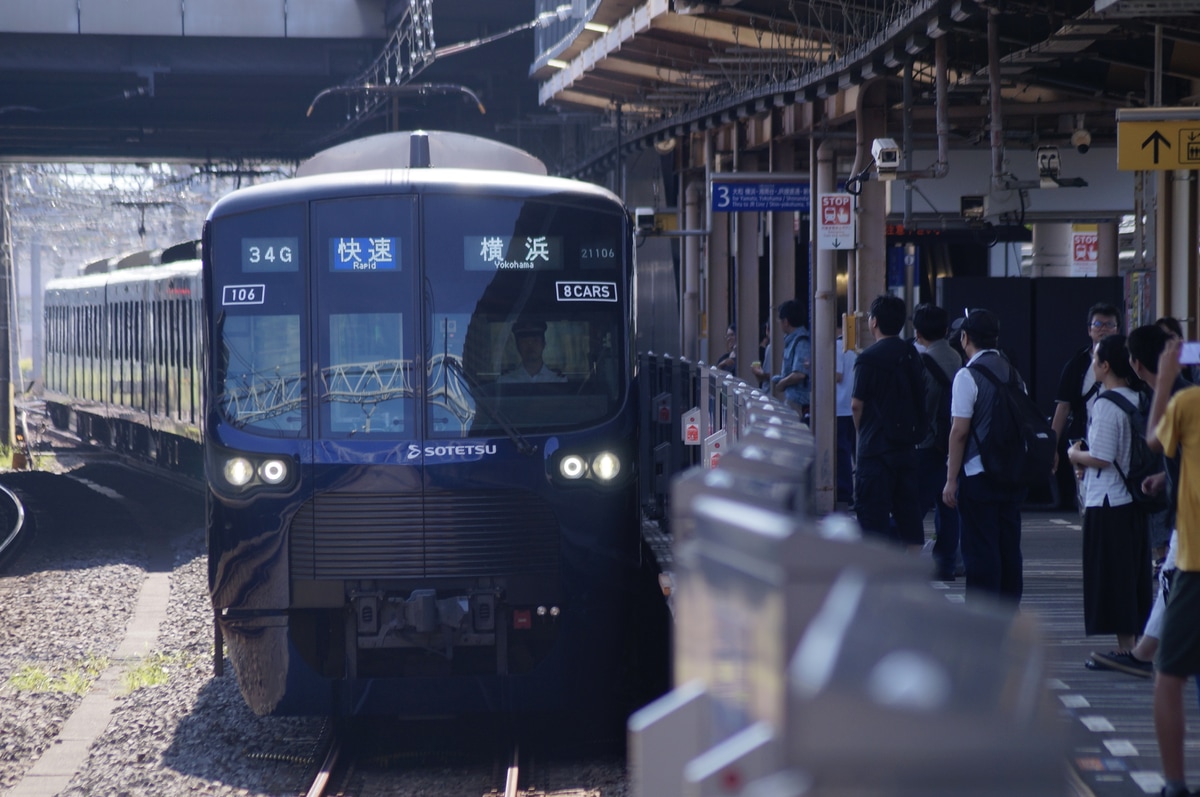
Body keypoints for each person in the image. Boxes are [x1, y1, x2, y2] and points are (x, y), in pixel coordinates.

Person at [1089, 323, 1192, 676]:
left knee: (1173, 578)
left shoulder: (1178, 396)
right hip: (1183, 508)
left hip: (1191, 515)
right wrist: (1165, 477)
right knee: (1171, 576)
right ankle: (1145, 652)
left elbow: (1154, 439)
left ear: (1136, 364)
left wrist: (1163, 381)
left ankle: (1148, 654)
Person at [1067, 335, 1152, 652]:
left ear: (1105, 366)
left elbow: (1101, 456)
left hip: (1108, 501)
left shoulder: (1105, 404)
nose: (1092, 364)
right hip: (1134, 499)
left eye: (1095, 360)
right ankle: (1135, 645)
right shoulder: (1139, 396)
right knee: (1133, 576)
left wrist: (1075, 456)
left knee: (1113, 577)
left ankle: (1125, 648)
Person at [1146, 337, 1200, 797]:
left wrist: (1164, 380)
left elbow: (1154, 439)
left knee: (1169, 673)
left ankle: (1176, 784)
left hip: (1196, 560)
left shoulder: (1188, 401)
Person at [942, 308, 1026, 602]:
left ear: (965, 338)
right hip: (1011, 473)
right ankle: (1008, 611)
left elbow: (959, 432)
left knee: (980, 548)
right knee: (1008, 546)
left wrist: (951, 480)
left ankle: (982, 615)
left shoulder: (968, 375)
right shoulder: (1013, 373)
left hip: (978, 474)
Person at [851, 294, 925, 550]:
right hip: (906, 447)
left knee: (872, 520)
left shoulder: (867, 358)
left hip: (875, 450)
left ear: (873, 322)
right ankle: (912, 575)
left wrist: (864, 433)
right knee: (909, 516)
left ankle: (876, 579)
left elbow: (856, 404)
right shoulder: (912, 354)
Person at [1052, 302, 1122, 509]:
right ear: (1089, 329)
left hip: (1120, 441)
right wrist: (1052, 447)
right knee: (1088, 500)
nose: (1103, 329)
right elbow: (1063, 407)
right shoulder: (1077, 364)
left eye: (1109, 324)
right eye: (1098, 324)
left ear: (1118, 329)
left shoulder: (1128, 362)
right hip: (1084, 440)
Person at [912, 303, 962, 581]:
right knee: (949, 506)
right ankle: (945, 563)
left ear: (918, 333)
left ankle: (908, 559)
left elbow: (922, 405)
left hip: (927, 443)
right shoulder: (957, 358)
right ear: (946, 330)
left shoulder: (920, 361)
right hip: (953, 442)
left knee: (914, 506)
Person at [769, 301, 811, 422]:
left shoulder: (801, 342)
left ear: (786, 322)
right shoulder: (792, 341)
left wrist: (782, 383)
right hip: (793, 400)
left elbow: (800, 373)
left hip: (798, 402)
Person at [498, 319, 567, 383]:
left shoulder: (558, 380)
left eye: (535, 341)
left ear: (543, 344)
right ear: (517, 346)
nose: (530, 345)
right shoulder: (505, 381)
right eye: (524, 342)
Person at [834, 320, 858, 505]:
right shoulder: (855, 348)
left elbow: (837, 374)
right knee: (852, 451)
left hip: (839, 406)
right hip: (852, 405)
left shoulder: (836, 346)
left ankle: (844, 492)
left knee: (841, 452)